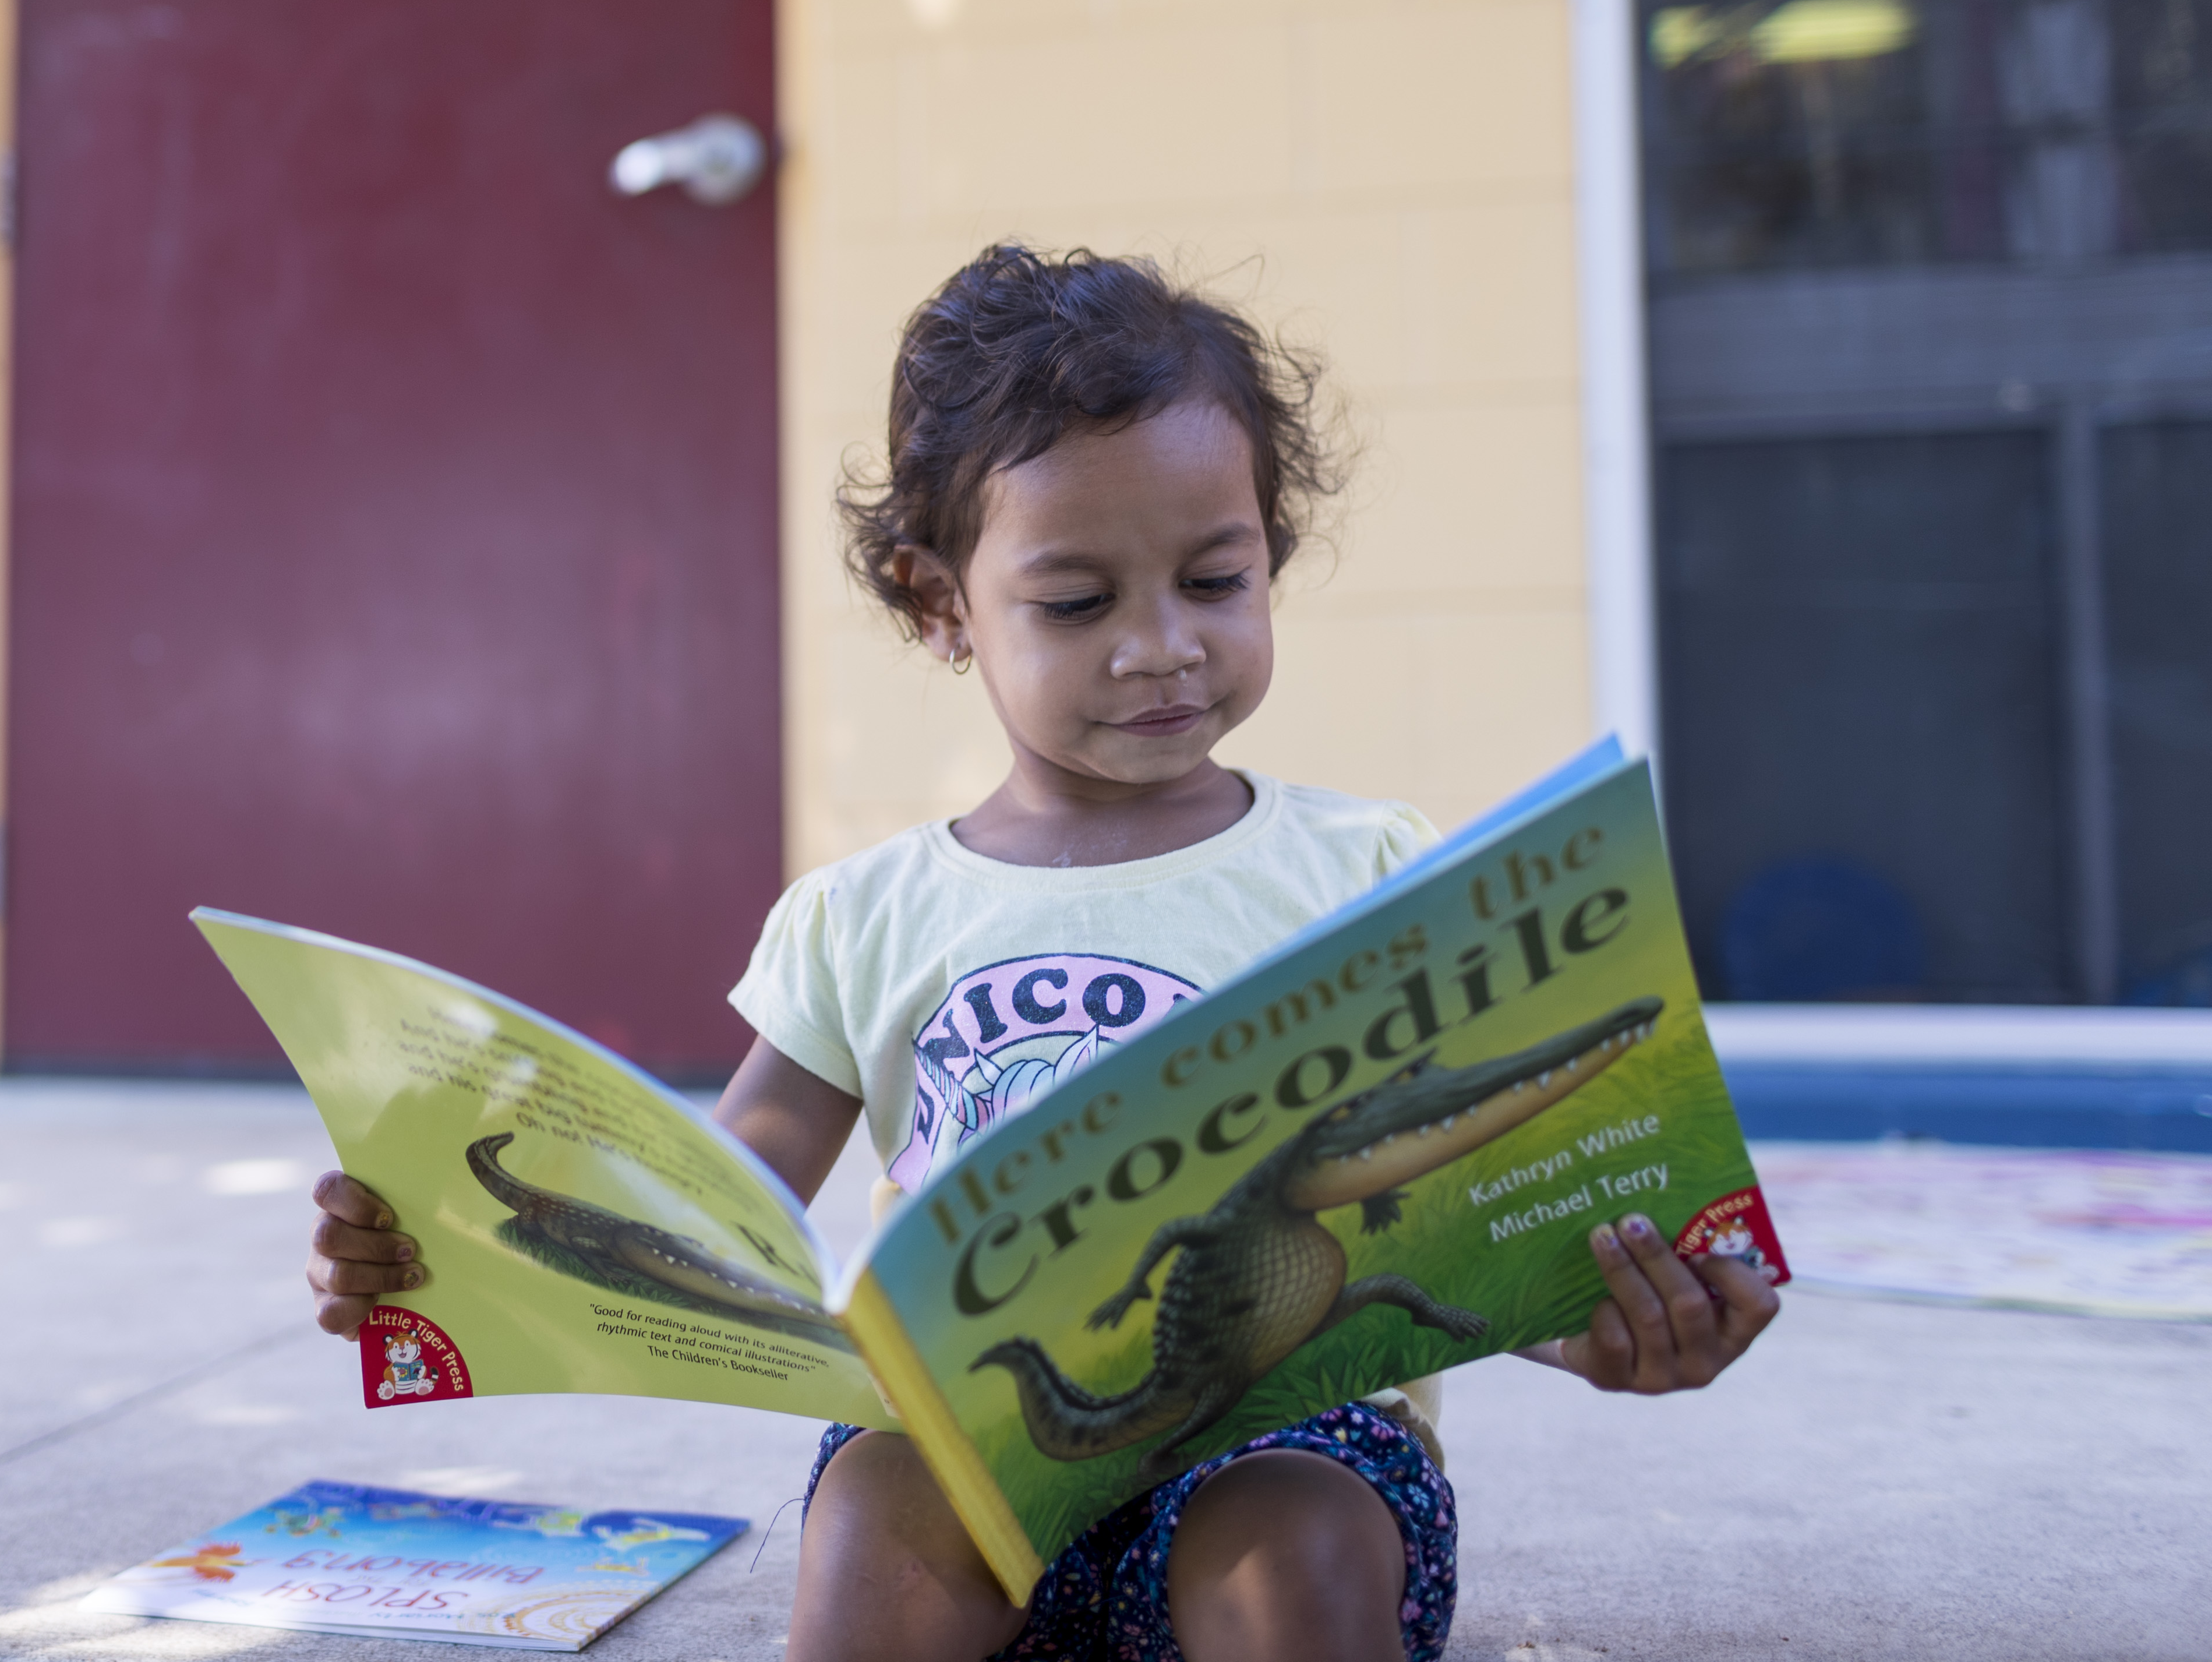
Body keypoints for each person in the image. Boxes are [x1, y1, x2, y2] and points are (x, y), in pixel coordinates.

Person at [299, 244, 1779, 1662]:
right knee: (876, 1506)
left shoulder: (1372, 870)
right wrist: (465, 1250)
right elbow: (713, 1210)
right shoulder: (864, 916)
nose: (1162, 648)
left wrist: (1609, 1329)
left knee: (1296, 1551)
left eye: (1218, 580)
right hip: (979, 1441)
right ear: (937, 602)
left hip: (1287, 1433)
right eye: (1078, 604)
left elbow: (1459, 1222)